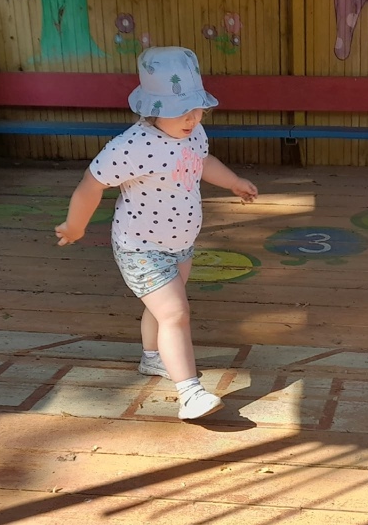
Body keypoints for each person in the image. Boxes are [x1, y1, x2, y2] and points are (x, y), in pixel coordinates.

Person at [54, 47, 258, 419]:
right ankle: (190, 393)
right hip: (140, 247)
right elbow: (91, 184)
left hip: (180, 243)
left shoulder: (192, 133)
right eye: (181, 111)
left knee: (161, 310)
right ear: (152, 109)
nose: (192, 118)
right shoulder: (132, 146)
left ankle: (153, 358)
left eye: (197, 109)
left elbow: (202, 162)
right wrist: (75, 225)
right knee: (175, 313)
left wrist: (233, 182)